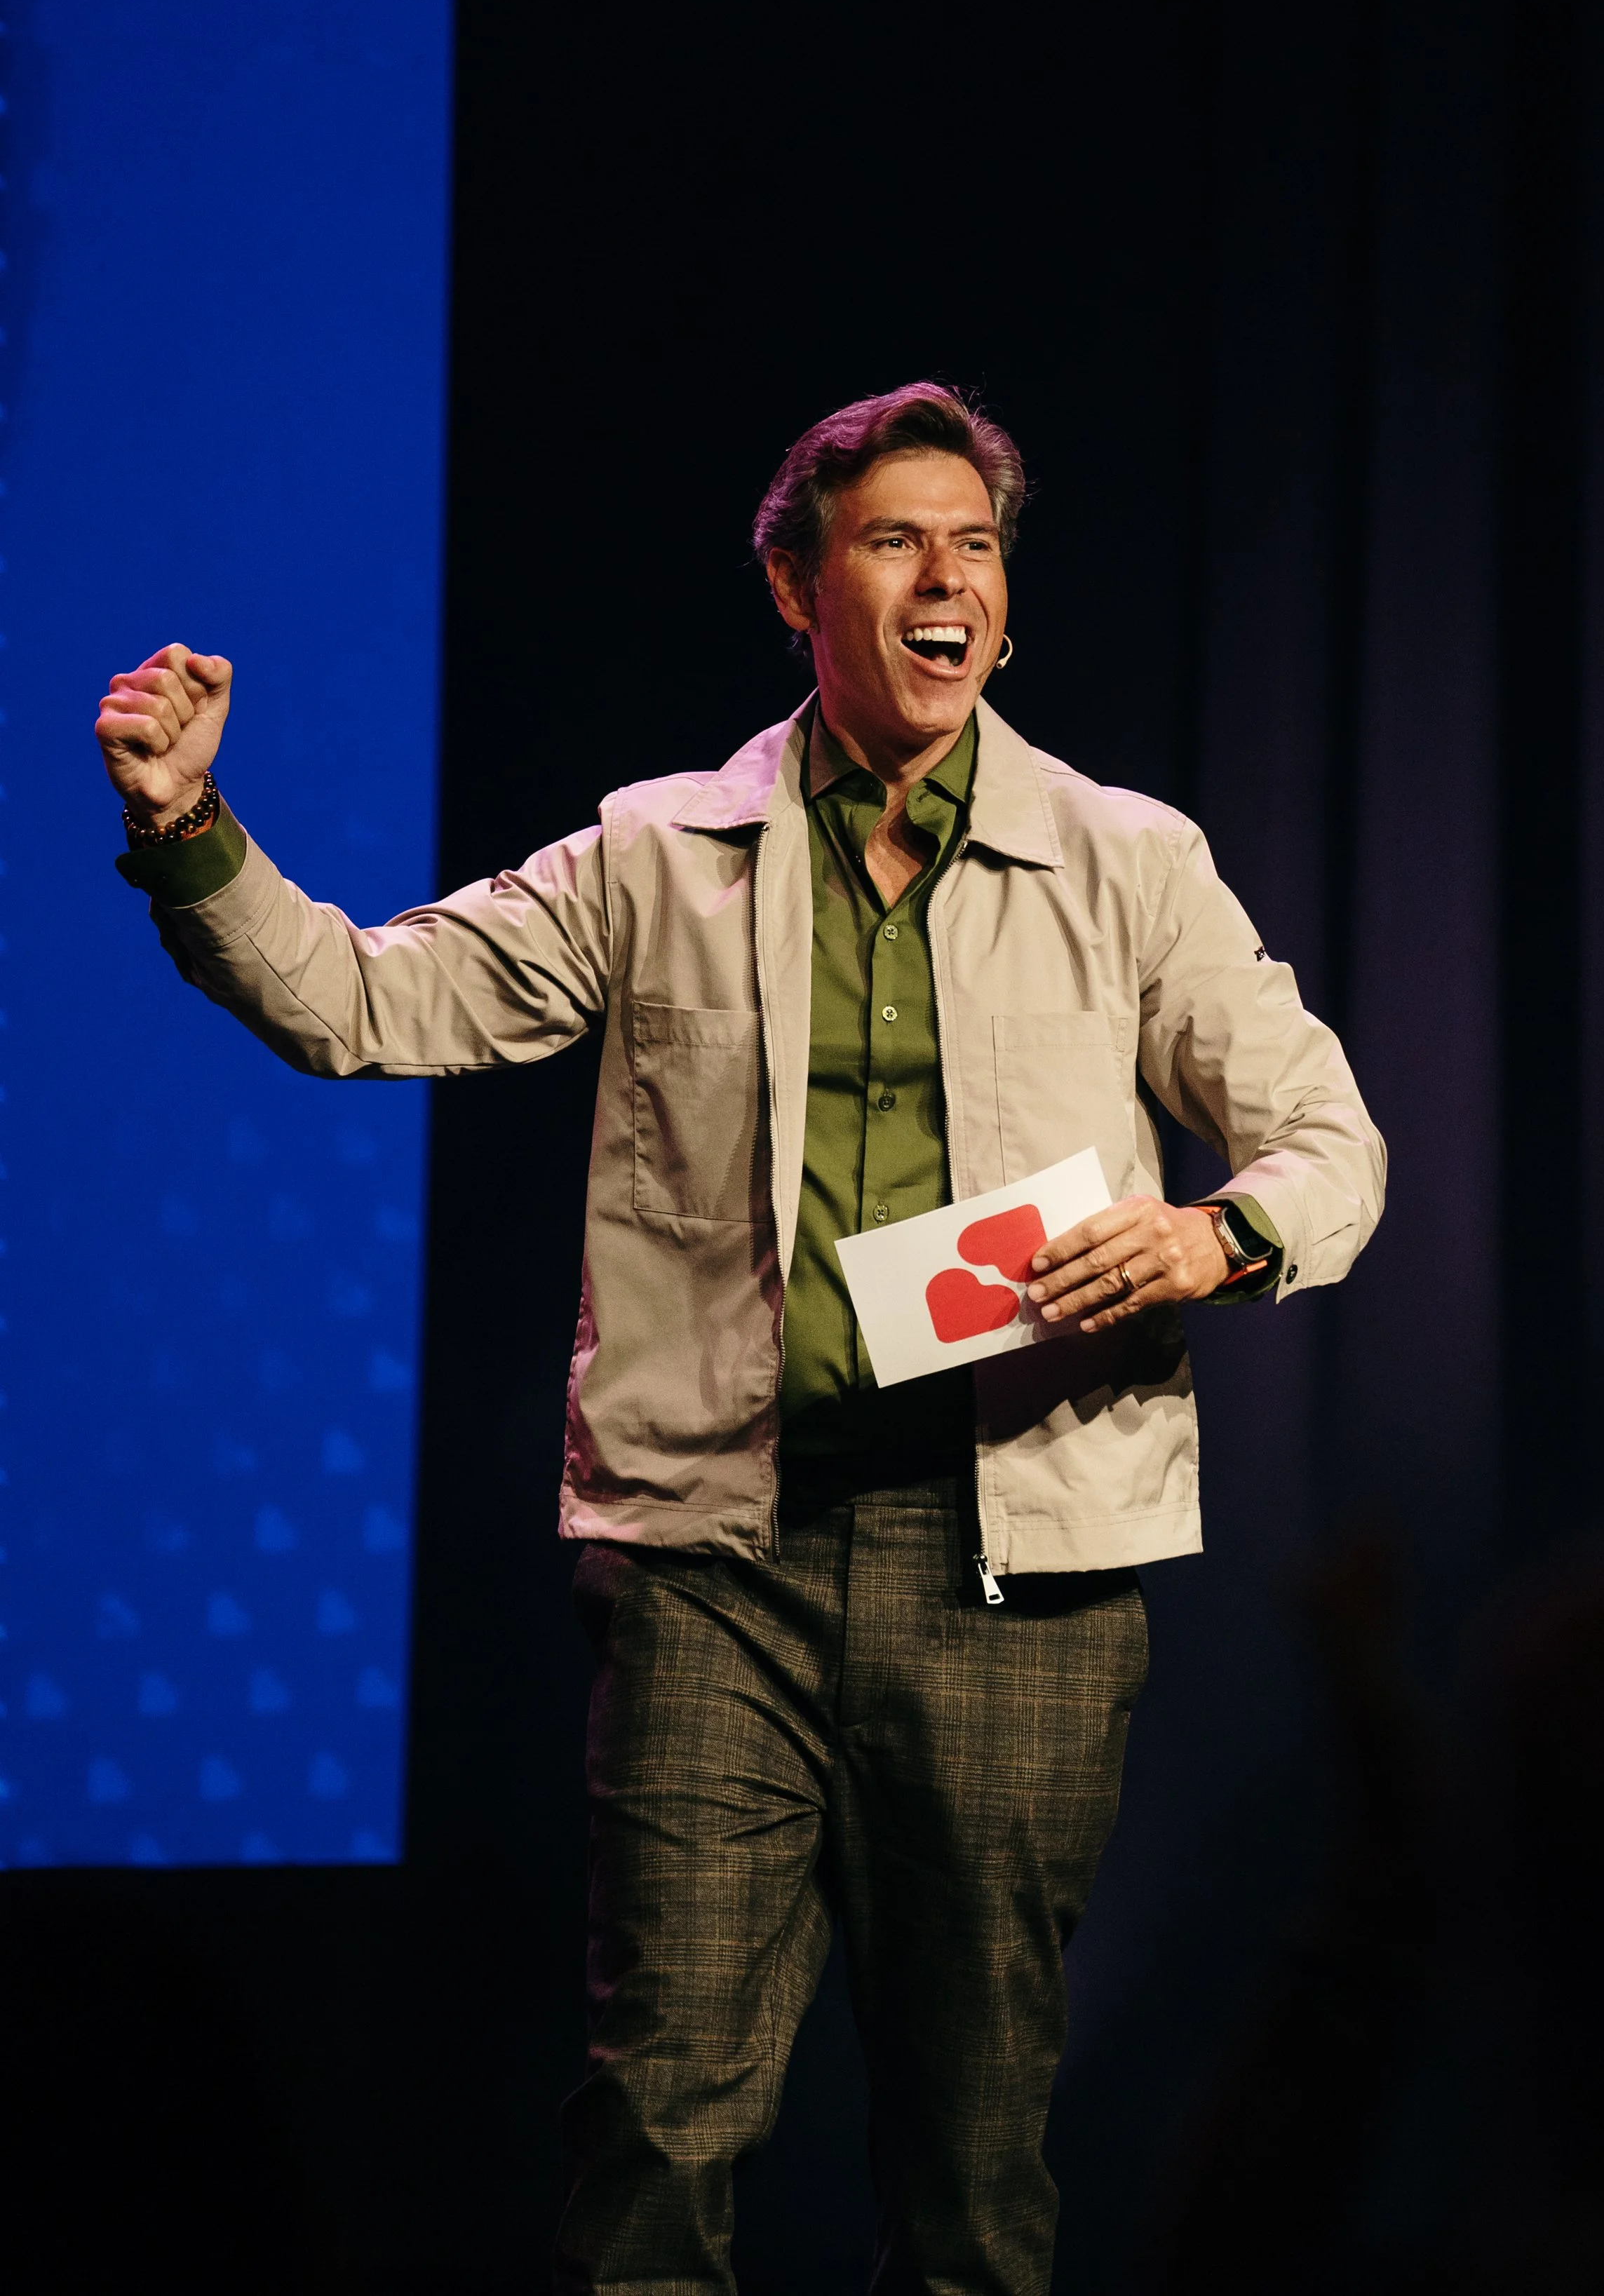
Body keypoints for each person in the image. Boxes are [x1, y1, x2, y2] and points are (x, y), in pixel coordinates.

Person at [95, 382, 1385, 2296]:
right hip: (719, 1562)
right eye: (892, 541)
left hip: (1013, 1568)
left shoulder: (1126, 859)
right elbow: (362, 1004)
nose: (943, 580)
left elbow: (1328, 1140)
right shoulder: (655, 856)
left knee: (973, 2136)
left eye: (975, 547)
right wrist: (191, 825)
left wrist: (1212, 1231)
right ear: (797, 581)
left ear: (1006, 608)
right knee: (662, 2110)